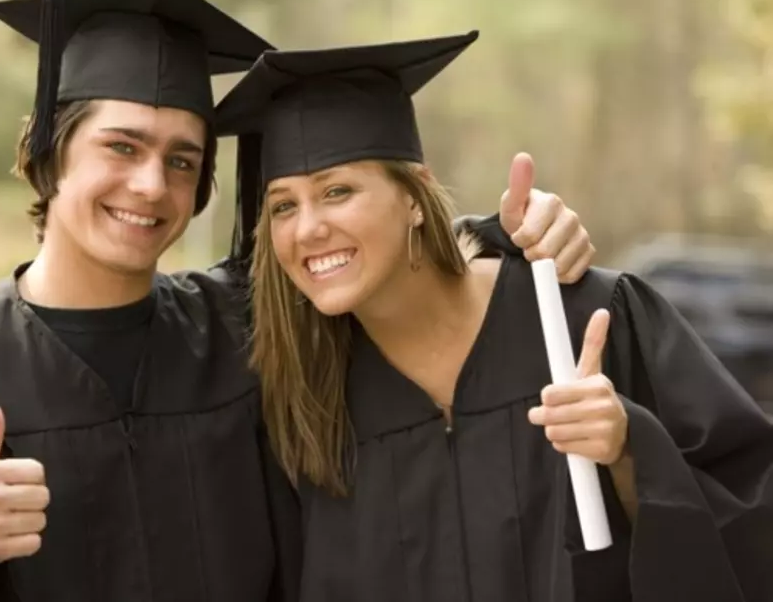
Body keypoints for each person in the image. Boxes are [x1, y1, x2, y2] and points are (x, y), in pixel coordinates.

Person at [0, 0, 595, 602]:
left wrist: (501, 233)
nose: (151, 184)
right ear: (47, 152)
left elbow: (362, 259)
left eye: (182, 160)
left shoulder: (239, 331)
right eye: (121, 146)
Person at [219, 31, 773, 601]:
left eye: (337, 191)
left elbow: (749, 519)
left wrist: (631, 449)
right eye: (283, 205)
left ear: (415, 196)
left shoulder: (583, 318)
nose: (307, 228)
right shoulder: (303, 391)